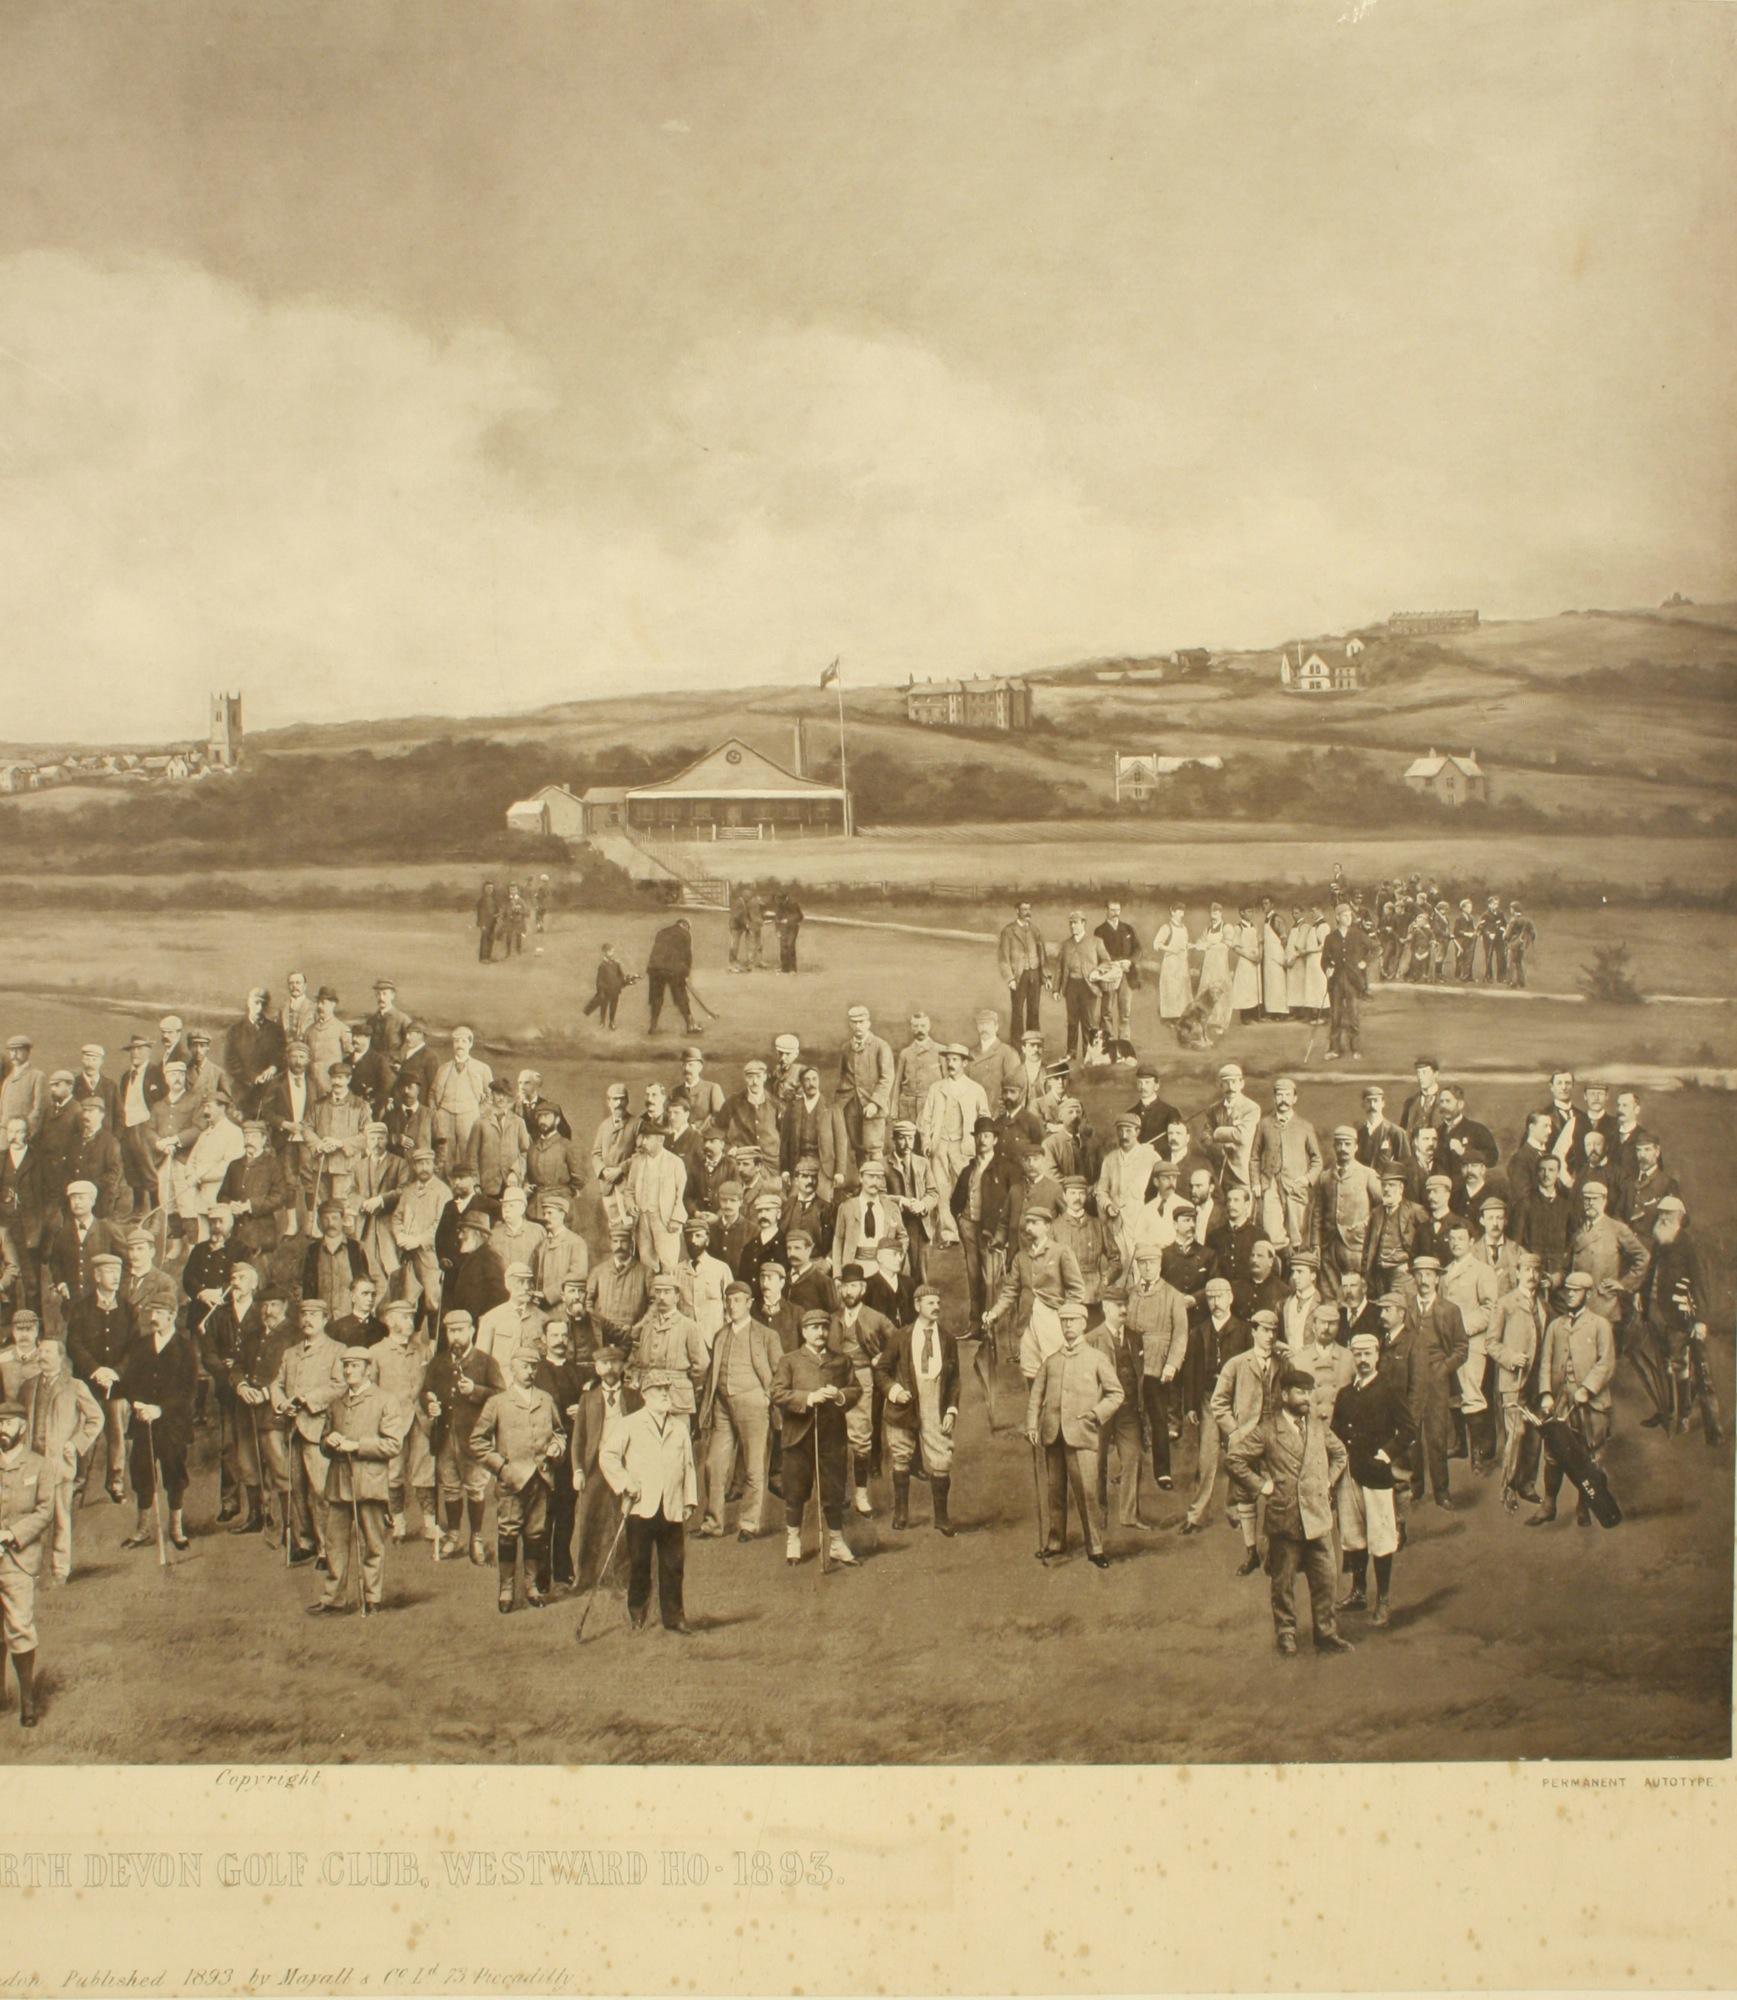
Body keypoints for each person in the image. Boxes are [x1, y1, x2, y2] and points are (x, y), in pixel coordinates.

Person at [1229, 1364, 1352, 1658]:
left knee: (1326, 1579)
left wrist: (1327, 1481)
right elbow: (1235, 1459)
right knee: (1282, 1582)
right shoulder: (1269, 1429)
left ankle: (1327, 1633)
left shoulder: (1318, 1424)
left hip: (1318, 1517)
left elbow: (1340, 1454)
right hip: (1285, 1518)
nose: (1307, 1398)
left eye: (1310, 1392)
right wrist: (1262, 1486)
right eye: (1300, 1392)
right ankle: (1286, 1634)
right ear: (1284, 1395)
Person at [307, 1346, 404, 1617]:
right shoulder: (336, 1402)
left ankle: (372, 1599)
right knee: (335, 1543)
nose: (349, 1370)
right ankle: (333, 1599)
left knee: (372, 1543)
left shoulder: (386, 1401)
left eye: (355, 1366)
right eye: (346, 1366)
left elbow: (393, 1444)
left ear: (368, 1370)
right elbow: (323, 1443)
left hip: (369, 1484)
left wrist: (356, 1445)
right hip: (339, 1484)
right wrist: (330, 1441)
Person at [1026, 1299, 1122, 1568]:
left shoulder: (1096, 1359)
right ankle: (1056, 1542)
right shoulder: (1051, 1361)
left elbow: (1116, 1394)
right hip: (1052, 1435)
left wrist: (1096, 1414)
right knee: (1055, 1491)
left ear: (1083, 1324)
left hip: (1082, 1435)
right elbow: (1036, 1397)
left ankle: (1095, 1547)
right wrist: (1032, 1425)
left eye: (1073, 1320)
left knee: (1087, 1492)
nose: (1068, 1325)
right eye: (1064, 1321)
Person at [1330, 1330, 1417, 1626]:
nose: (1363, 1360)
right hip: (1349, 1476)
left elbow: (1408, 1430)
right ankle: (1358, 1593)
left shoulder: (1389, 1389)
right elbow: (1335, 1433)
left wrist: (1386, 1454)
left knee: (1380, 1539)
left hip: (1376, 1476)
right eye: (1358, 1354)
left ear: (1377, 1355)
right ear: (1352, 1357)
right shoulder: (1345, 1394)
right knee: (1353, 1537)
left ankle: (1383, 1600)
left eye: (1368, 1354)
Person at [599, 1367, 697, 1630]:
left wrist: (689, 1500)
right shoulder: (630, 1424)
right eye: (659, 1390)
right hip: (640, 1507)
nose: (665, 1394)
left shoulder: (678, 1427)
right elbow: (607, 1456)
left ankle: (674, 1617)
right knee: (640, 1563)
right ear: (645, 1395)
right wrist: (625, 1483)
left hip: (672, 1506)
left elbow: (688, 1465)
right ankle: (637, 1611)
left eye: (667, 1389)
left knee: (674, 1564)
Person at [473, 1346, 566, 1611]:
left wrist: (557, 1448)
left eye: (533, 1366)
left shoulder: (546, 1400)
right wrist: (501, 1468)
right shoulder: (498, 1402)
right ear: (512, 1368)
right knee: (508, 1534)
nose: (530, 1371)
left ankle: (531, 1586)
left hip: (541, 1478)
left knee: (536, 1534)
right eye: (524, 1366)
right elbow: (477, 1442)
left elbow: (560, 1433)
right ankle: (506, 1589)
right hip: (512, 1481)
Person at [1528, 1270, 1616, 1528]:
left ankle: (1584, 1507)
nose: (1569, 1294)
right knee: (1554, 1454)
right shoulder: (1556, 1326)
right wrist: (1545, 1393)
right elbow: (1545, 1362)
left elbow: (1607, 1362)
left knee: (1590, 1456)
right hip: (1560, 1402)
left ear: (1587, 1294)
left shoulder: (1600, 1325)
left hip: (1591, 1404)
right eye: (1567, 1289)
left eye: (1576, 1290)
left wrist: (1587, 1388)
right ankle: (1549, 1505)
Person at [874, 1284, 960, 1534]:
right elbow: (881, 1370)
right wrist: (894, 1391)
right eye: (930, 1302)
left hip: (935, 1401)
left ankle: (942, 1517)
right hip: (904, 1403)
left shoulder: (947, 1339)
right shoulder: (901, 1336)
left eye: (938, 1303)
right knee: (901, 1454)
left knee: (941, 1457)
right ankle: (901, 1513)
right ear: (917, 1305)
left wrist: (951, 1409)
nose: (936, 1307)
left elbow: (954, 1379)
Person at [697, 1280, 778, 1541]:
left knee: (754, 1467)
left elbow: (780, 1373)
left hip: (753, 1404)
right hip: (722, 1405)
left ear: (750, 1303)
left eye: (738, 1300)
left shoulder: (766, 1335)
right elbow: (711, 1373)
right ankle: (713, 1523)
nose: (732, 1306)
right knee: (713, 1465)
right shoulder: (721, 1334)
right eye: (728, 1300)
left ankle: (749, 1524)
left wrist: (767, 1398)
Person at [118, 1299, 199, 1553]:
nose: (154, 1317)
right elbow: (130, 1380)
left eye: (160, 1312)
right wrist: (137, 1404)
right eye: (152, 1312)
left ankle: (176, 1529)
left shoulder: (185, 1348)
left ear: (172, 1315)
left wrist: (160, 1409)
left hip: (173, 1423)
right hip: (143, 1422)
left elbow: (188, 1390)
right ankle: (142, 1529)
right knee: (141, 1472)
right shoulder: (141, 1346)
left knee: (174, 1474)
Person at [19, 1338, 101, 1585]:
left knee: (61, 1518)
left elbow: (96, 1418)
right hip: (32, 1464)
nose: (42, 1356)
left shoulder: (75, 1386)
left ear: (60, 1357)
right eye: (40, 1351)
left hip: (59, 1464)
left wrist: (76, 1444)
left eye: (48, 1352)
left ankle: (59, 1570)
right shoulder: (28, 1387)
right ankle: (32, 1569)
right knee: (30, 1518)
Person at [65, 1252, 133, 1504]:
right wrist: (96, 1370)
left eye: (117, 1272)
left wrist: (115, 1372)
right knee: (85, 1430)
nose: (115, 1278)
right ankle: (78, 1481)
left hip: (117, 1385)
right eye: (108, 1272)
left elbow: (134, 1347)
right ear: (96, 1276)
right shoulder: (81, 1309)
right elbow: (74, 1344)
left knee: (117, 1433)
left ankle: (115, 1483)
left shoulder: (128, 1309)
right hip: (88, 1384)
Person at [0, 1399, 51, 1726]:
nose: (2, 1430)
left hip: (18, 1561)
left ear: (23, 1426)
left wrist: (10, 1535)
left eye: (8, 1423)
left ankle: (28, 1701)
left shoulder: (39, 1465)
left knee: (19, 1627)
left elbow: (45, 1512)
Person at [1409, 1256, 1469, 1510]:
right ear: (1414, 1278)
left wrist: (1443, 1369)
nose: (1424, 1280)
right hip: (1411, 1380)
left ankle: (1442, 1491)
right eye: (1419, 1274)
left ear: (1437, 1278)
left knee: (1436, 1436)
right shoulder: (1406, 1308)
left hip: (1437, 1380)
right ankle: (1416, 1487)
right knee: (1411, 1433)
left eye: (1429, 1274)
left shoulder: (1450, 1310)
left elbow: (1462, 1348)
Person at [1253, 1077, 1323, 1251]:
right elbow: (1254, 1157)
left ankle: (1296, 1272)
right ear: (1274, 1098)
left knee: (1296, 1234)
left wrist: (1307, 1180)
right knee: (1272, 1232)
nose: (1283, 1099)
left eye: (1287, 1095)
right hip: (1269, 1185)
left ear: (1294, 1098)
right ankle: (1278, 1271)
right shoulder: (1264, 1124)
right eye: (1279, 1095)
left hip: (1295, 1187)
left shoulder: (1305, 1126)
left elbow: (1317, 1160)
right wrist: (1255, 1182)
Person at [1320, 903, 1369, 1060]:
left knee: (1353, 1015)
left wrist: (1364, 961)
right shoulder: (1330, 938)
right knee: (1336, 1016)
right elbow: (1324, 960)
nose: (1349, 918)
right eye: (1345, 916)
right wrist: (1327, 968)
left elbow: (1376, 948)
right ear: (1338, 917)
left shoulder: (1358, 934)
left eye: (1350, 915)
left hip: (1352, 981)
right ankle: (1335, 1049)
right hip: (1336, 982)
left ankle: (1356, 1048)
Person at [1094, 900, 1141, 1059]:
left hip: (1127, 975)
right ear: (1105, 910)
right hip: (1109, 976)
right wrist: (1114, 964)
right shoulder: (1099, 931)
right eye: (1112, 910)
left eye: (1118, 910)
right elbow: (1098, 954)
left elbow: (1138, 949)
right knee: (1106, 1011)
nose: (1116, 913)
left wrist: (1130, 961)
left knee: (1125, 1013)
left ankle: (1125, 1047)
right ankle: (1108, 1047)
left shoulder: (1128, 929)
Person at [998, 901, 1049, 1041]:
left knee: (1034, 1011)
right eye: (1024, 909)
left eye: (1029, 909)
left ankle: (1033, 1043)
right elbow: (1003, 958)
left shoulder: (1035, 930)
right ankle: (1017, 1048)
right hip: (1018, 976)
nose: (1028, 912)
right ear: (1017, 911)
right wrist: (1010, 979)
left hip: (1035, 974)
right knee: (1018, 1013)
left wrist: (1045, 977)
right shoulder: (1008, 931)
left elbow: (1042, 955)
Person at [645, 918, 700, 1035]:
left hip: (655, 969)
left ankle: (653, 1026)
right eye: (688, 927)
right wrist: (686, 974)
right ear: (685, 925)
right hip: (673, 970)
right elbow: (687, 956)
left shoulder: (661, 932)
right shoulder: (685, 934)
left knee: (656, 997)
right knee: (681, 997)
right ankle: (690, 1025)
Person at [582, 944, 632, 1029]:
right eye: (610, 951)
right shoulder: (602, 966)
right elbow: (599, 980)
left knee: (613, 1006)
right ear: (605, 952)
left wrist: (626, 981)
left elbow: (621, 976)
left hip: (615, 990)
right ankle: (602, 1021)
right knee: (604, 1006)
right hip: (606, 991)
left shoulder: (616, 964)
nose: (612, 953)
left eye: (612, 951)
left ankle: (612, 1022)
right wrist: (600, 991)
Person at [475, 879, 499, 963]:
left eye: (491, 888)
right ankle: (483, 958)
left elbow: (496, 910)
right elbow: (480, 913)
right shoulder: (482, 900)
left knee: (491, 939)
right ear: (484, 889)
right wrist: (482, 924)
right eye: (488, 888)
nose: (490, 889)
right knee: (484, 940)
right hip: (485, 923)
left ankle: (489, 956)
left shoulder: (493, 899)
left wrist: (497, 915)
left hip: (492, 922)